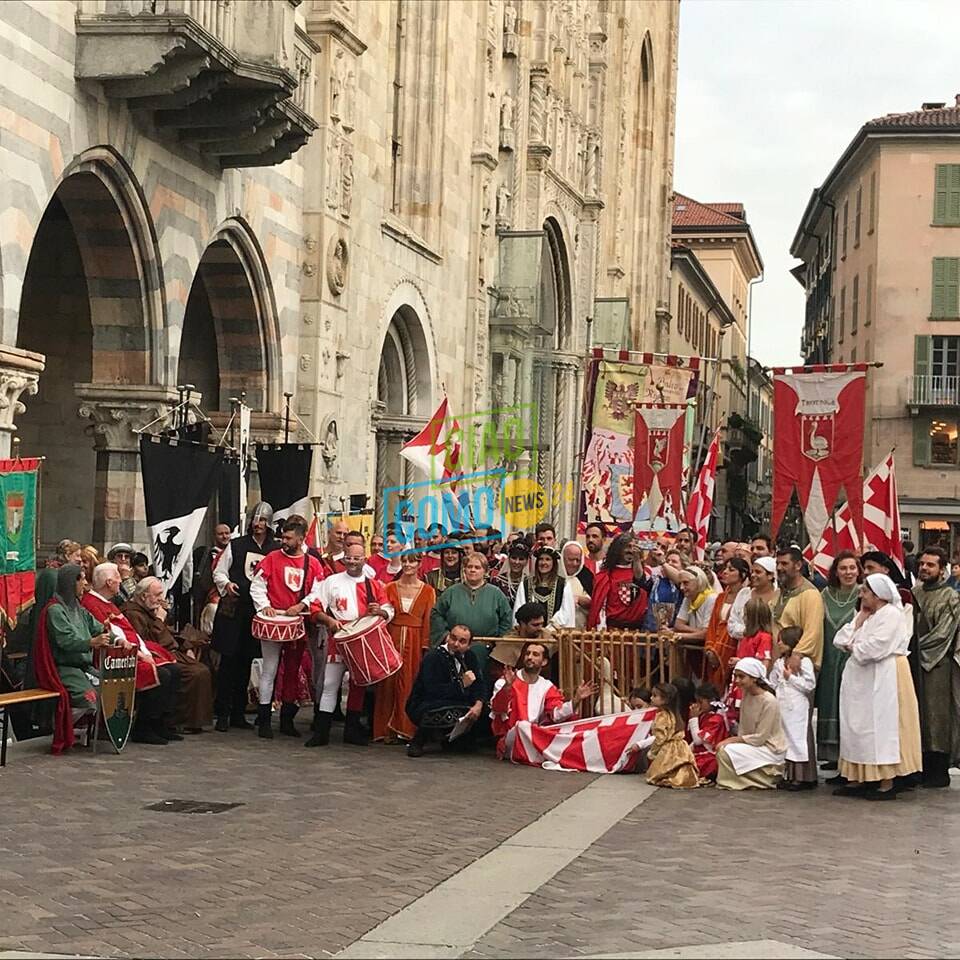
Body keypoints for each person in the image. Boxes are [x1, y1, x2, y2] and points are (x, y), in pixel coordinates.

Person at [834, 573, 922, 799]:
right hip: (860, 679)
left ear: (878, 595)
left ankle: (886, 782)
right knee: (858, 727)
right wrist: (857, 623)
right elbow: (840, 639)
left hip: (884, 676)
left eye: (865, 592)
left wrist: (853, 645)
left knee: (882, 728)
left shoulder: (891, 615)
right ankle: (860, 777)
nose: (861, 595)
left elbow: (874, 648)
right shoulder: (866, 615)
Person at [81, 562, 181, 745]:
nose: (121, 581)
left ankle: (160, 724)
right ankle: (143, 727)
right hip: (110, 655)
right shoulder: (91, 603)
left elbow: (129, 631)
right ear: (109, 582)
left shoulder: (108, 603)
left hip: (128, 650)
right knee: (162, 675)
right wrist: (141, 654)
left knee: (174, 670)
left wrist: (142, 649)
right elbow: (109, 633)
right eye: (118, 578)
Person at [247, 517, 325, 739]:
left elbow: (318, 590)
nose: (284, 540)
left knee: (292, 670)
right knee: (269, 669)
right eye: (283, 536)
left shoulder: (313, 563)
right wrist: (265, 607)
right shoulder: (272, 559)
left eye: (289, 538)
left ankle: (287, 720)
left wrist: (302, 605)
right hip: (274, 620)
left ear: (300, 539)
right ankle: (264, 719)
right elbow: (258, 586)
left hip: (297, 622)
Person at [311, 541, 393, 747]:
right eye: (349, 557)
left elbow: (388, 610)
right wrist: (329, 621)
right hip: (338, 639)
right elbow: (315, 607)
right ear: (344, 557)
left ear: (364, 558)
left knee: (359, 686)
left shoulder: (374, 584)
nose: (352, 562)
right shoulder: (331, 581)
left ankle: (352, 730)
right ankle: (321, 732)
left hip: (362, 642)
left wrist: (380, 612)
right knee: (330, 683)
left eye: (357, 558)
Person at [211, 502, 281, 732]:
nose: (258, 525)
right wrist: (227, 584)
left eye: (262, 521)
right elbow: (219, 571)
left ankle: (239, 713)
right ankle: (222, 713)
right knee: (228, 662)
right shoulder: (237, 545)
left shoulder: (274, 550)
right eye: (255, 520)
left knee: (246, 662)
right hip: (234, 610)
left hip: (256, 611)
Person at [32, 565, 114, 752]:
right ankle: (61, 726)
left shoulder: (78, 608)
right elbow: (66, 640)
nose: (85, 583)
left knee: (106, 690)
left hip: (83, 667)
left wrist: (114, 636)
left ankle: (81, 729)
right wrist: (92, 642)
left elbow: (98, 627)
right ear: (71, 582)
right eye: (81, 579)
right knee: (89, 698)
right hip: (64, 668)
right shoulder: (55, 610)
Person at [124, 576, 214, 735]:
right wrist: (159, 619)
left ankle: (191, 721)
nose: (161, 599)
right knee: (194, 673)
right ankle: (177, 721)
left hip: (169, 651)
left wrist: (186, 646)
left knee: (203, 668)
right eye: (157, 595)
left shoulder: (150, 609)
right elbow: (146, 641)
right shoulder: (133, 612)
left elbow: (169, 633)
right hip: (155, 655)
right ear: (144, 596)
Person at [489, 640, 594, 761]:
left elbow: (556, 715)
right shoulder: (505, 681)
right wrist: (507, 687)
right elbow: (497, 709)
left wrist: (576, 700)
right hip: (512, 738)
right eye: (528, 653)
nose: (530, 657)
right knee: (522, 726)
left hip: (536, 736)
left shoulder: (547, 686)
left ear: (544, 662)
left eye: (535, 654)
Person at [912, 546, 960, 788]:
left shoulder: (950, 597)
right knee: (916, 715)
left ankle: (938, 770)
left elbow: (943, 634)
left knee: (937, 717)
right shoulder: (914, 593)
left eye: (930, 565)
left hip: (938, 664)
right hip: (914, 664)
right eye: (922, 564)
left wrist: (914, 647)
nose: (924, 568)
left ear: (942, 570)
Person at [374, 552, 435, 743]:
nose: (408, 565)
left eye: (412, 561)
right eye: (405, 561)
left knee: (410, 682)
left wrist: (426, 645)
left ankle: (405, 728)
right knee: (388, 683)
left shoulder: (428, 591)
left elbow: (428, 621)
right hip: (392, 637)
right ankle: (385, 729)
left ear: (419, 564)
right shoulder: (389, 587)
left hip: (415, 640)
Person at [404, 624, 486, 757]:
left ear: (469, 645)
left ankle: (454, 740)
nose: (456, 644)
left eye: (462, 641)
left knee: (485, 711)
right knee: (441, 710)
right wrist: (461, 685)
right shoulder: (433, 657)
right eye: (453, 638)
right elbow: (432, 690)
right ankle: (419, 740)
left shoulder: (470, 657)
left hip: (458, 702)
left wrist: (479, 704)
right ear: (448, 637)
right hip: (427, 703)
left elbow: (479, 684)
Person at [816, 550, 862, 770]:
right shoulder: (824, 594)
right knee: (828, 702)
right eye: (843, 568)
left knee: (849, 706)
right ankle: (832, 755)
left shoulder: (864, 594)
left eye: (852, 568)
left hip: (852, 660)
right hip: (828, 658)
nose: (848, 572)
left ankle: (849, 756)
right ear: (835, 571)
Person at [715, 657, 786, 790]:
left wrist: (733, 740)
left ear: (754, 678)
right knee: (723, 750)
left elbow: (761, 737)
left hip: (769, 748)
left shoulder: (769, 701)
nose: (737, 681)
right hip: (752, 744)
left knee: (725, 750)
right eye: (736, 676)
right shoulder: (747, 695)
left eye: (741, 677)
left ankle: (762, 781)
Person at [769, 626, 817, 791]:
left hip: (797, 706)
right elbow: (773, 681)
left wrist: (791, 679)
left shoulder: (804, 662)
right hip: (783, 705)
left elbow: (809, 685)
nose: (779, 643)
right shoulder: (779, 663)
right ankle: (788, 774)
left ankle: (801, 776)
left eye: (782, 640)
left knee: (797, 738)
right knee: (785, 738)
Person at [430, 553, 513, 646]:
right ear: (464, 570)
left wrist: (498, 642)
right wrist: (446, 636)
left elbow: (507, 619)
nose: (472, 570)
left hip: (486, 648)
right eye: (469, 567)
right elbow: (436, 614)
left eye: (477, 567)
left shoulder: (496, 594)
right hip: (456, 646)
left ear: (485, 571)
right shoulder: (451, 592)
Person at [773, 546, 825, 668]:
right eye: (777, 563)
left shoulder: (811, 594)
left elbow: (812, 632)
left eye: (784, 563)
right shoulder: (779, 592)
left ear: (798, 565)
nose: (779, 568)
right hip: (778, 661)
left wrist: (797, 654)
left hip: (798, 664)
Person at [703, 557, 751, 690]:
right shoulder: (720, 598)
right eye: (725, 568)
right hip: (713, 650)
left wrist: (718, 650)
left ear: (743, 574)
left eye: (731, 569)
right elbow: (713, 625)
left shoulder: (748, 597)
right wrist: (710, 648)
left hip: (734, 649)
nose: (725, 572)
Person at [642, 682, 701, 788]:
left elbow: (660, 738)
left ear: (665, 699)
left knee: (661, 771)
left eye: (655, 696)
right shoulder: (675, 714)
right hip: (682, 747)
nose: (651, 698)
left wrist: (653, 752)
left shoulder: (661, 716)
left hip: (669, 749)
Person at [587, 533, 651, 630]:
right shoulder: (605, 576)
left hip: (639, 631)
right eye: (628, 546)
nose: (631, 550)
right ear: (618, 549)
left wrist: (638, 561)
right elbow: (600, 607)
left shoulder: (646, 574)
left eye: (634, 547)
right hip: (613, 631)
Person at [514, 547, 576, 632]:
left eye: (548, 559)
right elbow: (519, 610)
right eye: (541, 559)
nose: (543, 563)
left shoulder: (563, 585)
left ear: (554, 563)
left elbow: (566, 613)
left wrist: (548, 630)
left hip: (554, 636)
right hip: (530, 636)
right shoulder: (525, 584)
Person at [192, 523, 231, 631]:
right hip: (211, 597)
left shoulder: (235, 553)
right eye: (220, 534)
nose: (224, 536)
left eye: (227, 533)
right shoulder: (205, 555)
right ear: (214, 536)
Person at [688, 682, 729, 781]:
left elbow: (698, 740)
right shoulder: (704, 715)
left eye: (700, 702)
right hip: (699, 753)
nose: (697, 705)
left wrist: (693, 719)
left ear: (711, 701)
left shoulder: (716, 719)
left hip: (710, 755)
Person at [672, 565, 717, 643]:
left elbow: (706, 635)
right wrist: (699, 632)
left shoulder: (712, 599)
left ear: (699, 581)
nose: (681, 587)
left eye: (686, 583)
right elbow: (678, 625)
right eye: (680, 583)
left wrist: (677, 635)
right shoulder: (687, 598)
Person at [491, 541, 529, 606]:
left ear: (526, 561)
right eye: (514, 558)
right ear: (508, 559)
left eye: (521, 559)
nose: (517, 562)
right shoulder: (497, 582)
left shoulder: (529, 582)